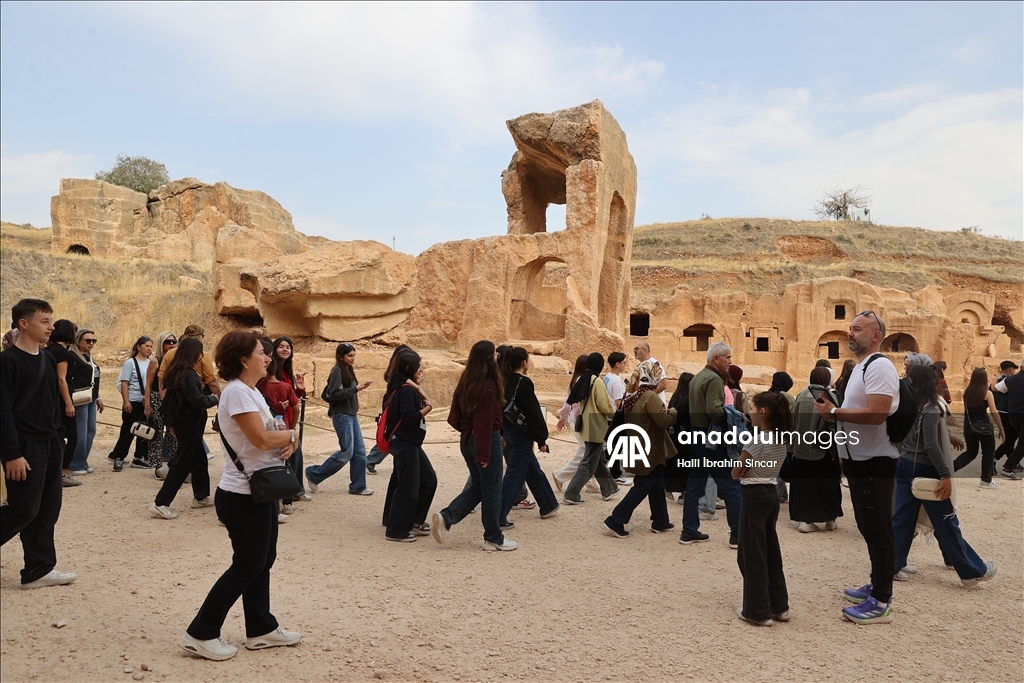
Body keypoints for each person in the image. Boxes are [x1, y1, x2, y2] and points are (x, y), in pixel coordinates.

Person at [178, 330, 300, 661]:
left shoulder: (250, 392)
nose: (268, 358)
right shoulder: (236, 394)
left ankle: (260, 628)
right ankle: (201, 632)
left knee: (263, 560)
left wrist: (288, 440)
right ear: (244, 359)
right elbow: (260, 439)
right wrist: (290, 434)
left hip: (257, 492)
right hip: (241, 495)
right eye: (262, 353)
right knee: (247, 565)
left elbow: (268, 436)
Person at [814, 310, 901, 625]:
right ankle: (877, 584)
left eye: (857, 329)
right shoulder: (863, 367)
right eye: (850, 329)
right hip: (858, 459)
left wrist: (836, 411)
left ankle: (880, 601)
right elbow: (854, 412)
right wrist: (832, 413)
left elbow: (877, 414)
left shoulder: (880, 367)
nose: (850, 334)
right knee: (868, 526)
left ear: (876, 335)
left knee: (878, 529)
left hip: (874, 461)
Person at [891, 364, 997, 594]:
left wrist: (946, 434)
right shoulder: (931, 407)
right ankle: (972, 570)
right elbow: (930, 444)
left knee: (901, 520)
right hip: (925, 468)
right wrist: (946, 475)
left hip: (905, 463)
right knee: (947, 522)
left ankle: (890, 566)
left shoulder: (906, 404)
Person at [1, 298, 76, 588]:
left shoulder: (47, 358)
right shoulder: (6, 362)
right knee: (23, 509)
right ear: (24, 323)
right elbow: (3, 412)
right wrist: (12, 454)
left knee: (48, 509)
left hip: (51, 443)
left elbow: (52, 403)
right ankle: (39, 567)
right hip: (24, 447)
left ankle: (39, 569)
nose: (51, 326)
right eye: (44, 321)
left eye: (51, 320)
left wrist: (59, 436)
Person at [432, 340, 517, 551]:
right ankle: (494, 538)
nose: (498, 357)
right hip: (484, 440)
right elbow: (484, 423)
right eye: (495, 354)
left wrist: (467, 434)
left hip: (469, 439)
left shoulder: (466, 381)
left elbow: (454, 417)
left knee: (479, 486)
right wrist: (484, 453)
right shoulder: (487, 387)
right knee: (491, 490)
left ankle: (446, 517)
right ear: (489, 357)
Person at [732, 391, 793, 626]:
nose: (750, 412)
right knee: (770, 551)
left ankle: (757, 611)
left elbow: (736, 471)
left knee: (752, 554)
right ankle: (779, 606)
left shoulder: (756, 439)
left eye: (753, 408)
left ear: (763, 412)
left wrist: (742, 467)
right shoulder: (780, 437)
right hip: (770, 494)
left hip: (754, 495)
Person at [602, 364, 677, 537]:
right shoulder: (649, 396)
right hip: (649, 450)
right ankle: (616, 519)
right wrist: (674, 412)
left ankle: (661, 520)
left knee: (657, 484)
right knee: (643, 485)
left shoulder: (633, 394)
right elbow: (664, 421)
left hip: (638, 446)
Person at [680, 342, 742, 548]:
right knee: (731, 487)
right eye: (728, 358)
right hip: (711, 440)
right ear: (716, 359)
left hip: (696, 437)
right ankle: (737, 535)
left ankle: (689, 530)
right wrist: (734, 415)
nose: (730, 362)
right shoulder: (714, 379)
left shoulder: (697, 377)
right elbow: (714, 410)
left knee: (694, 486)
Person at [150, 337, 220, 519]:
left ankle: (201, 496)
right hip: (188, 422)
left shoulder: (176, 372)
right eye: (200, 351)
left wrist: (172, 424)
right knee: (181, 464)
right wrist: (214, 398)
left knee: (199, 459)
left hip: (185, 422)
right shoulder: (188, 374)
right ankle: (161, 503)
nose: (201, 355)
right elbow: (196, 400)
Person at [498, 347, 560, 526]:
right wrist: (542, 438)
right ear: (524, 362)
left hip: (509, 431)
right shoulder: (523, 383)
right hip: (521, 434)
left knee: (532, 468)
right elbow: (533, 413)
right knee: (514, 475)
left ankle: (548, 504)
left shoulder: (503, 380)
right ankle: (498, 516)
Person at [381, 351, 437, 542]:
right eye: (417, 365)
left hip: (410, 443)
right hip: (405, 443)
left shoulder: (405, 387)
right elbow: (409, 419)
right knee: (406, 487)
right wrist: (427, 408)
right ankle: (396, 531)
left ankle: (414, 520)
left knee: (428, 480)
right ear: (408, 368)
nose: (421, 369)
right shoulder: (405, 390)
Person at [305, 343, 374, 496]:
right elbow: (335, 394)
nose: (352, 359)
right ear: (341, 356)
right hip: (343, 416)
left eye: (354, 355)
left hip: (351, 416)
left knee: (360, 452)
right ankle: (314, 473)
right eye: (349, 356)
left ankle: (358, 486)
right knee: (347, 451)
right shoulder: (337, 371)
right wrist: (357, 388)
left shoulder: (348, 370)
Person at [788, 367, 843, 532]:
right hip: (824, 450)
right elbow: (837, 421)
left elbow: (793, 422)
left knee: (805, 486)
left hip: (801, 449)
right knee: (828, 484)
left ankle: (806, 520)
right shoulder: (830, 396)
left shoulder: (801, 395)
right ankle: (830, 518)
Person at [562, 352, 619, 505]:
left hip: (586, 422)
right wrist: (616, 416)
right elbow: (604, 405)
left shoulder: (582, 378)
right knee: (588, 462)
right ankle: (571, 493)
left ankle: (609, 489)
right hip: (596, 425)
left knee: (597, 458)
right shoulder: (597, 381)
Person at [46, 319, 88, 487]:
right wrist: (69, 403)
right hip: (62, 400)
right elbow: (61, 380)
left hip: (51, 399)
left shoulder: (48, 350)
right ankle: (63, 473)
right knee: (71, 436)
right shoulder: (63, 353)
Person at [268, 336, 310, 501]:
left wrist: (298, 391)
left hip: (288, 418)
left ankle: (294, 490)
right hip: (281, 421)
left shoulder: (286, 370)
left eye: (288, 347)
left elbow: (289, 397)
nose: (285, 349)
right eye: (281, 346)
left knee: (294, 454)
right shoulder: (272, 371)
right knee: (291, 453)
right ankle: (293, 491)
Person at [107, 336, 155, 472]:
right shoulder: (130, 363)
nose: (149, 349)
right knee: (128, 429)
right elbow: (124, 382)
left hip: (145, 401)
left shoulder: (150, 362)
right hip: (133, 400)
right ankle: (119, 457)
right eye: (147, 346)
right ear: (138, 347)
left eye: (151, 346)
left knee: (144, 429)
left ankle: (140, 457)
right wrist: (126, 401)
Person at [952, 368, 1004, 488]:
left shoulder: (966, 391)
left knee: (971, 452)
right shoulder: (987, 393)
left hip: (969, 425)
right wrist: (1001, 428)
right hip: (984, 426)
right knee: (988, 452)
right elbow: (994, 411)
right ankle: (986, 480)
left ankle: (949, 470)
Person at [552, 355, 597, 493]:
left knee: (587, 452)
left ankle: (592, 484)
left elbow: (567, 402)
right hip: (581, 421)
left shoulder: (575, 380)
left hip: (576, 419)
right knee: (585, 451)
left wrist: (563, 417)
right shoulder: (582, 381)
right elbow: (570, 402)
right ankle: (561, 475)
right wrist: (562, 417)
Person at [366, 344, 412, 475]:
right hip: (394, 404)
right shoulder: (398, 374)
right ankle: (369, 460)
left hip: (392, 402)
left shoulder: (394, 371)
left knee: (395, 436)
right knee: (392, 436)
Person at [68, 328, 103, 476]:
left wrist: (99, 397)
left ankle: (82, 461)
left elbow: (93, 380)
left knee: (91, 431)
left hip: (91, 398)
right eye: (88, 340)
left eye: (93, 340)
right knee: (80, 433)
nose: (91, 343)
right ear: (77, 341)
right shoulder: (72, 357)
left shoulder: (89, 358)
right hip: (79, 398)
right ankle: (75, 464)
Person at [147, 331, 178, 472]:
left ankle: (174, 465)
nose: (171, 344)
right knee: (157, 433)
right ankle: (156, 466)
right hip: (156, 397)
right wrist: (147, 404)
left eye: (173, 341)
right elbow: (148, 385)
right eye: (168, 341)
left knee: (173, 432)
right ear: (161, 343)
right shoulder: (155, 360)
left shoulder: (176, 359)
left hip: (172, 397)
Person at [992, 361, 1024, 478]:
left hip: (1012, 416)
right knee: (1021, 444)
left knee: (1010, 440)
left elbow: (995, 388)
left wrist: (995, 379)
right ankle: (1008, 467)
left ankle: (994, 458)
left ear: (1021, 367)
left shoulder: (1010, 379)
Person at [665, 372, 694, 499]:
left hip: (674, 434)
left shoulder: (675, 396)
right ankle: (683, 492)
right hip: (685, 435)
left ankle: (669, 488)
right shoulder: (688, 399)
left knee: (674, 463)